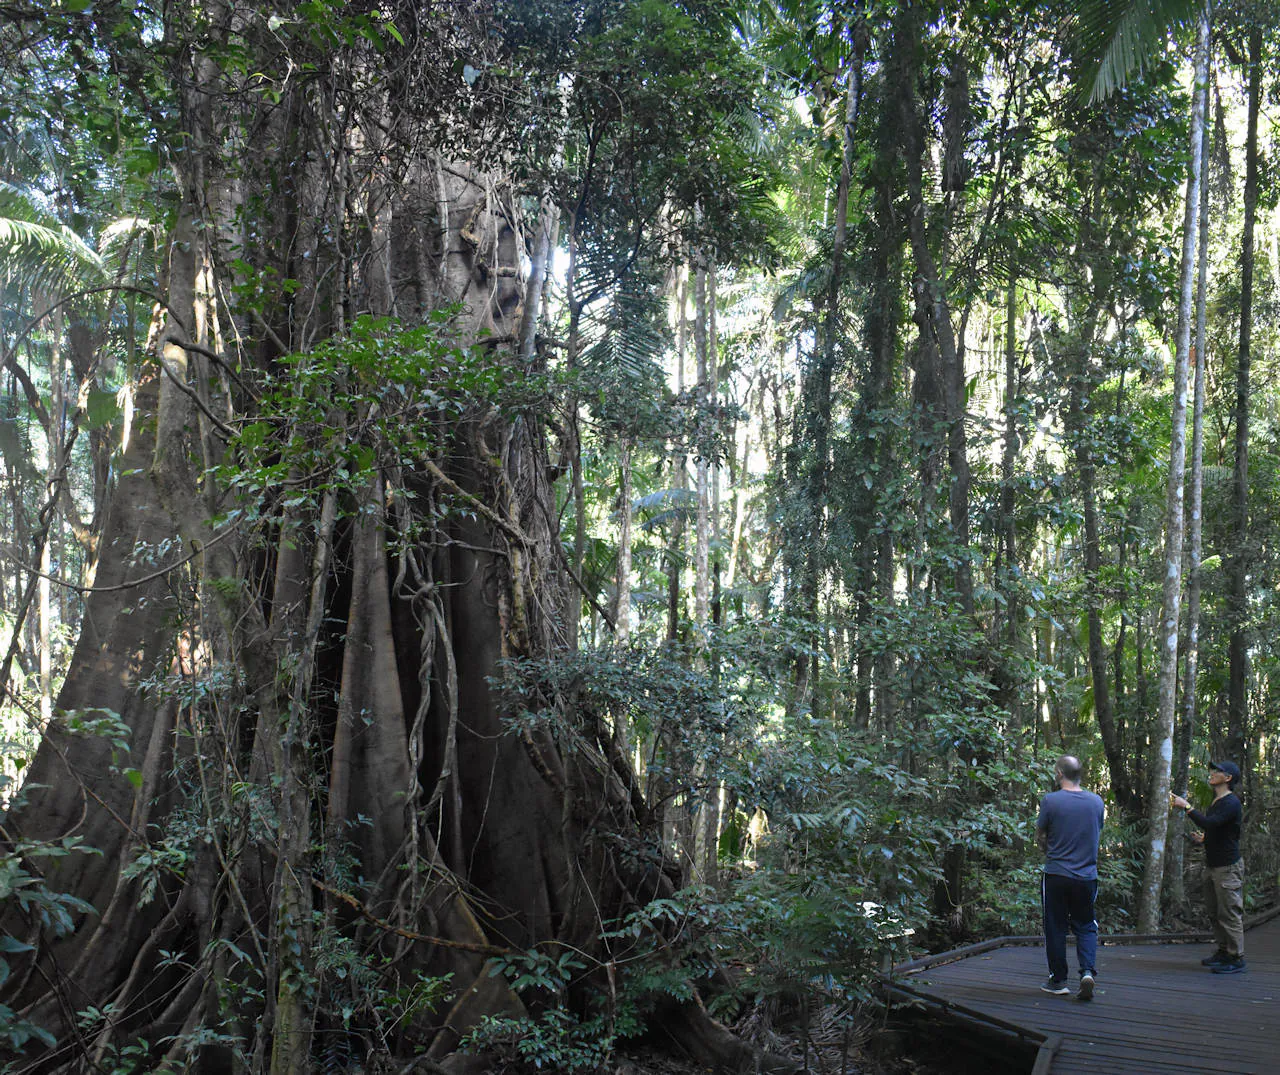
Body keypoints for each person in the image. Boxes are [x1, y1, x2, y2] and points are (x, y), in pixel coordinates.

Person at [1036, 754, 1105, 1000]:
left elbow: (1041, 835)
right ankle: (1087, 971)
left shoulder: (1050, 801)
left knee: (1055, 927)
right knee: (1086, 925)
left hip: (1056, 874)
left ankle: (1059, 980)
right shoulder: (1097, 802)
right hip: (1087, 876)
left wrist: (1052, 852)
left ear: (1059, 774)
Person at [1171, 760, 1245, 974]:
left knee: (1230, 913)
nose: (1212, 773)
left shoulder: (1231, 803)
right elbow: (1220, 830)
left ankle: (1236, 956)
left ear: (1228, 778)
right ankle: (1223, 951)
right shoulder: (1217, 801)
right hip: (1213, 864)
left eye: (1218, 771)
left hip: (1227, 866)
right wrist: (1204, 839)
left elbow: (1211, 823)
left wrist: (1186, 806)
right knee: (1215, 912)